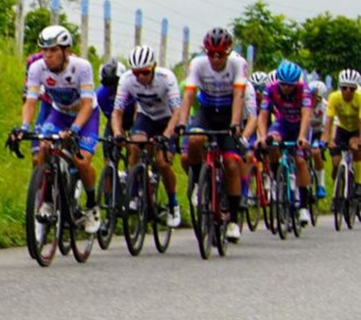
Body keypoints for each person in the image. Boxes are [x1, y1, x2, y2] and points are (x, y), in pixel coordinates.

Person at [13, 25, 101, 234]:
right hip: (59, 113)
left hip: (85, 115)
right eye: (44, 50)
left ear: (66, 51)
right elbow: (31, 101)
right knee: (44, 146)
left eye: (53, 51)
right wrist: (24, 127)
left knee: (81, 161)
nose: (48, 56)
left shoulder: (82, 67)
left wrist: (74, 130)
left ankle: (91, 205)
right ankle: (49, 200)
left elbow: (88, 104)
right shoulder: (37, 68)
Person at [176, 27, 247, 243]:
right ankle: (199, 182)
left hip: (227, 114)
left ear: (228, 52)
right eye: (211, 54)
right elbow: (188, 95)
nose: (215, 59)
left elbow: (238, 95)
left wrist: (235, 123)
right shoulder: (198, 64)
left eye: (220, 54)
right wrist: (181, 122)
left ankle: (233, 219)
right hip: (206, 112)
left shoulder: (237, 64)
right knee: (196, 139)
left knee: (232, 164)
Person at [110, 45, 183, 227]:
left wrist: (166, 135)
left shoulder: (166, 78)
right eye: (137, 73)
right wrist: (118, 133)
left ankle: (173, 204)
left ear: (154, 67)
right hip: (146, 117)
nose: (140, 77)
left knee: (162, 162)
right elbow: (117, 112)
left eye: (145, 72)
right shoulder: (127, 80)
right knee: (134, 145)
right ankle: (134, 193)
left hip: (168, 118)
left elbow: (177, 112)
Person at [256, 60, 313, 226]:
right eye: (283, 85)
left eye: (290, 85)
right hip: (282, 123)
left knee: (300, 160)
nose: (287, 88)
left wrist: (302, 137)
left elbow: (306, 114)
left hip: (300, 124)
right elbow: (263, 114)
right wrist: (262, 136)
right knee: (272, 142)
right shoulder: (271, 88)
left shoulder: (304, 90)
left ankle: (303, 205)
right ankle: (277, 178)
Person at [321, 69, 361, 196]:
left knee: (356, 149)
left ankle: (359, 183)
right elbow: (329, 121)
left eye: (352, 88)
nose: (348, 91)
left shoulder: (359, 99)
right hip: (342, 129)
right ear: (340, 87)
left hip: (356, 129)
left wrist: (359, 140)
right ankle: (337, 192)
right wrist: (327, 140)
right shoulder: (334, 97)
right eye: (344, 88)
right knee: (336, 162)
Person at [307, 80, 329, 199]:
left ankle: (320, 184)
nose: (314, 101)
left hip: (319, 132)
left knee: (316, 152)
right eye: (312, 97)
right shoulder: (305, 104)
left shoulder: (325, 106)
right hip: (307, 131)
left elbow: (326, 128)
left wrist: (322, 143)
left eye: (318, 99)